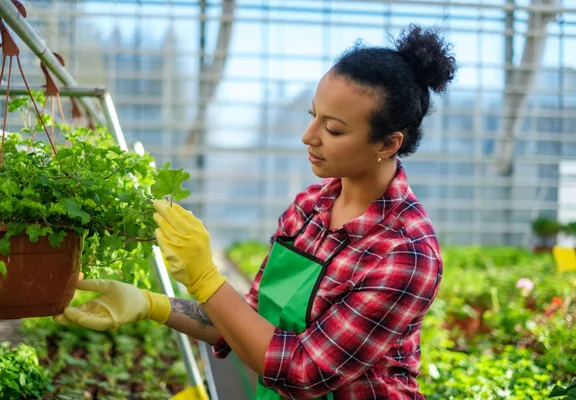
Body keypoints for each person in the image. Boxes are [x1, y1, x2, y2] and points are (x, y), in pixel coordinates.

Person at [54, 24, 456, 399]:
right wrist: (152, 304)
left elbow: (302, 371)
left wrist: (205, 277)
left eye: (333, 129)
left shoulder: (405, 253)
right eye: (312, 116)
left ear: (387, 144)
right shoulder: (309, 208)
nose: (308, 136)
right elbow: (243, 323)